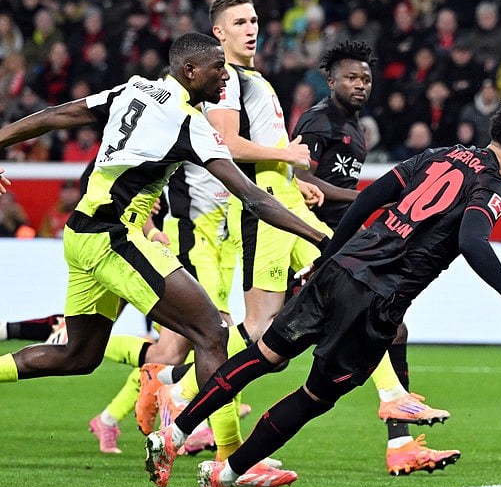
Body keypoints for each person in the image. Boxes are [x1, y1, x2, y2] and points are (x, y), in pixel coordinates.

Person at [145, 101, 501, 487]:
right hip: (376, 300)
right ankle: (225, 474)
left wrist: (328, 258)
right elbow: (473, 242)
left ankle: (175, 433)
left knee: (263, 355)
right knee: (313, 396)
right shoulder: (491, 186)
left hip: (341, 268)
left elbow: (367, 201)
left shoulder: (440, 155)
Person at [0, 33, 329, 404]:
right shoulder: (187, 122)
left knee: (79, 356)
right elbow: (253, 198)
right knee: (212, 332)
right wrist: (320, 240)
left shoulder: (134, 89)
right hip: (114, 237)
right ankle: (215, 449)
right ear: (190, 71)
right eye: (218, 68)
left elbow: (55, 115)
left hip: (82, 233)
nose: (225, 77)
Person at [290, 38, 458, 475]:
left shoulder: (357, 128)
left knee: (390, 329)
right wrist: (365, 199)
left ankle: (400, 440)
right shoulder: (320, 120)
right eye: (351, 77)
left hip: (341, 238)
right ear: (330, 80)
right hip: (309, 236)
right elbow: (297, 175)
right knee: (268, 338)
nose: (360, 84)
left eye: (365, 78)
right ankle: (181, 393)